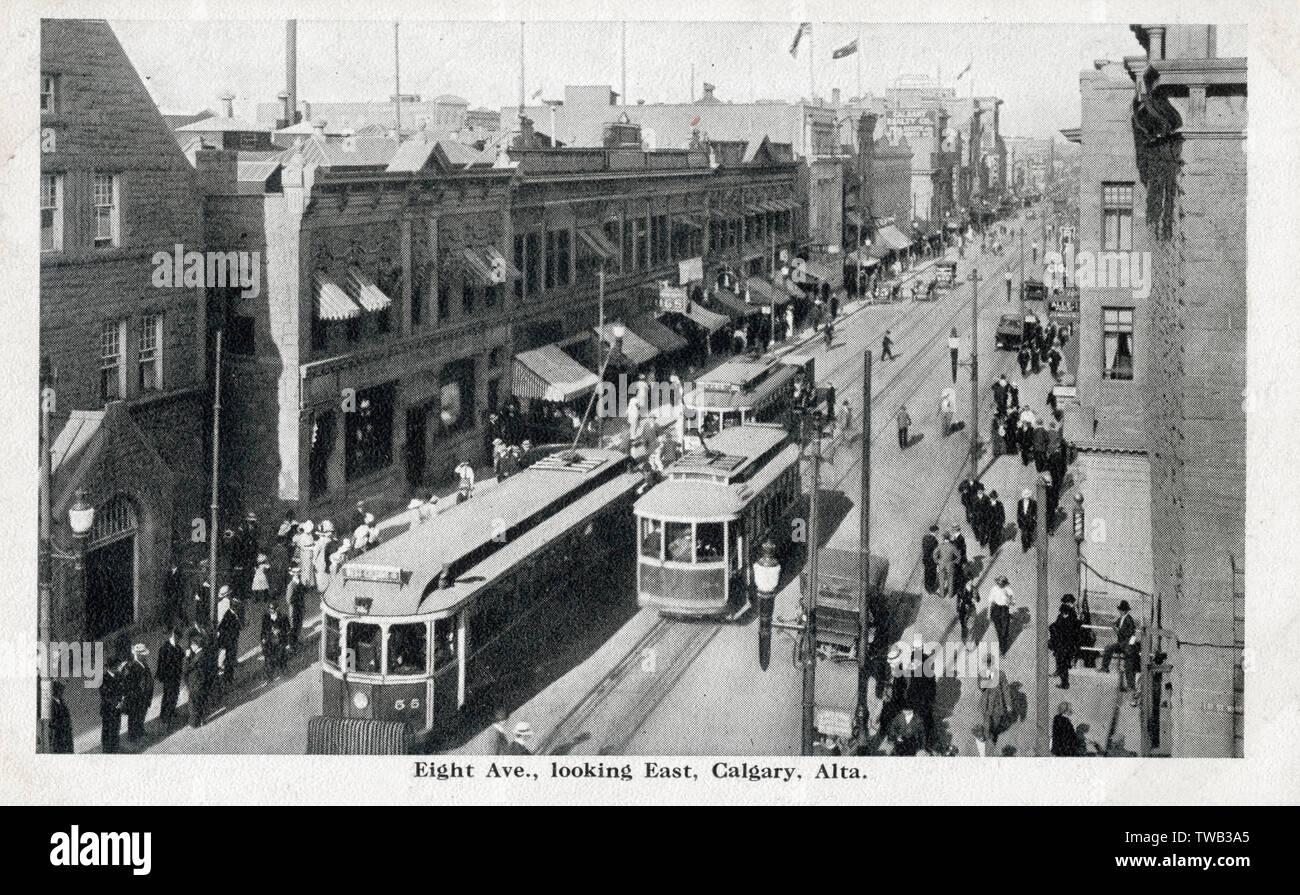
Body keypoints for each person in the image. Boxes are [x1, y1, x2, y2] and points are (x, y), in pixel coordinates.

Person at [1100, 600, 1139, 691]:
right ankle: (1105, 667)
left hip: (1127, 644)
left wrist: (1119, 631)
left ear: (1124, 611)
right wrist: (1114, 626)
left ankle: (1130, 685)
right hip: (1121, 643)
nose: (1120, 611)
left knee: (1128, 664)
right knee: (1109, 648)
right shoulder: (1121, 618)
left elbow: (1130, 633)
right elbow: (1116, 624)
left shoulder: (1129, 619)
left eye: (1121, 610)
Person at [977, 656, 1013, 755]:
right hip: (986, 701)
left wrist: (1008, 704)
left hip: (998, 701)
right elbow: (980, 687)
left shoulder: (1000, 674)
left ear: (992, 663)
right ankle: (988, 739)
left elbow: (1005, 689)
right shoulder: (981, 673)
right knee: (986, 721)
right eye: (987, 663)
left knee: (997, 722)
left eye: (990, 663)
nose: (988, 665)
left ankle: (993, 734)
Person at [121, 643, 154, 742]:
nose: (145, 656)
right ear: (138, 654)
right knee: (134, 717)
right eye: (143, 655)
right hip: (136, 697)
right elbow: (126, 683)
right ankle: (133, 736)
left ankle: (140, 730)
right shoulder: (130, 666)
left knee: (141, 715)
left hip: (144, 696)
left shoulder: (143, 663)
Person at [1048, 595, 1083, 689]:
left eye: (1066, 602)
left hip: (1067, 643)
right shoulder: (1066, 613)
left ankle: (1064, 683)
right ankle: (1061, 675)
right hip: (1062, 643)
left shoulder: (1072, 614)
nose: (1064, 603)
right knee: (1060, 660)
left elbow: (1072, 629)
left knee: (1063, 663)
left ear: (1070, 602)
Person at [183, 635, 216, 728]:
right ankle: (202, 719)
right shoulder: (204, 653)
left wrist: (187, 657)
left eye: (193, 645)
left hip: (196, 682)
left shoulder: (198, 657)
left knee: (193, 704)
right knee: (201, 701)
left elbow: (186, 669)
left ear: (197, 645)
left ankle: (193, 724)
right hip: (202, 681)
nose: (191, 647)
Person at [156, 628, 185, 731]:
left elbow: (181, 655)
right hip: (168, 677)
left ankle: (170, 712)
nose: (179, 640)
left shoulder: (177, 646)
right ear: (173, 635)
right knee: (169, 696)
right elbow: (161, 665)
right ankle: (167, 718)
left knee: (174, 694)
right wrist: (163, 677)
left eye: (179, 639)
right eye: (177, 638)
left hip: (175, 676)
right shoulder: (165, 648)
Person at [216, 590, 243, 694]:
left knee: (229, 660)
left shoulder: (229, 611)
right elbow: (223, 627)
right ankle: (228, 680)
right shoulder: (228, 615)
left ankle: (229, 678)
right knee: (228, 660)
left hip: (231, 640)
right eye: (236, 607)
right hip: (229, 641)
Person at [260, 602, 289, 681]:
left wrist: (279, 631)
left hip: (279, 641)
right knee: (269, 660)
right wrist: (263, 639)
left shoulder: (283, 617)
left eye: (272, 608)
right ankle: (269, 677)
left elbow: (287, 629)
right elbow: (263, 630)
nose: (270, 610)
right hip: (269, 642)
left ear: (277, 609)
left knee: (281, 657)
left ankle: (283, 671)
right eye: (269, 608)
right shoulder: (265, 617)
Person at [98, 658, 122, 753]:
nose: (118, 668)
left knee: (116, 727)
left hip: (117, 708)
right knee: (108, 729)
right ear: (110, 668)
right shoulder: (103, 679)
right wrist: (116, 703)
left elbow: (122, 689)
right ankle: (107, 749)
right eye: (117, 666)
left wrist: (121, 701)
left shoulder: (118, 676)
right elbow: (105, 695)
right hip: (108, 709)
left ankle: (115, 747)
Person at [988, 575, 1015, 655]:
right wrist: (988, 614)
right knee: (999, 631)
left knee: (1005, 631)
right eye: (999, 583)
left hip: (1004, 610)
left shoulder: (1009, 590)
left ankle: (1003, 648)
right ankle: (1002, 647)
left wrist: (1008, 598)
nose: (1000, 585)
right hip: (995, 610)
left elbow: (1013, 603)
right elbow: (990, 602)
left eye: (1002, 584)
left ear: (1005, 584)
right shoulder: (994, 589)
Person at [50, 681, 74, 754]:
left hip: (66, 732)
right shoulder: (52, 704)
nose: (61, 692)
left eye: (61, 690)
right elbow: (52, 721)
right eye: (60, 690)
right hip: (59, 734)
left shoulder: (61, 702)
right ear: (56, 691)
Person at [957, 577, 980, 641]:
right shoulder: (961, 589)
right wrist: (958, 608)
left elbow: (978, 599)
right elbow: (958, 599)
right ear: (966, 582)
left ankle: (969, 642)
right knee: (963, 625)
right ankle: (964, 638)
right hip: (963, 609)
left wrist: (976, 598)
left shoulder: (974, 589)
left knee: (971, 626)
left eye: (972, 580)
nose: (972, 582)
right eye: (970, 581)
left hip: (971, 609)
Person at [921, 525, 940, 594]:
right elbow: (936, 553)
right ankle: (931, 589)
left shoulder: (925, 537)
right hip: (932, 561)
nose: (938, 533)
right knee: (932, 574)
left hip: (925, 559)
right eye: (937, 532)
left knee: (926, 572)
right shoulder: (935, 540)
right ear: (935, 531)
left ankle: (926, 587)